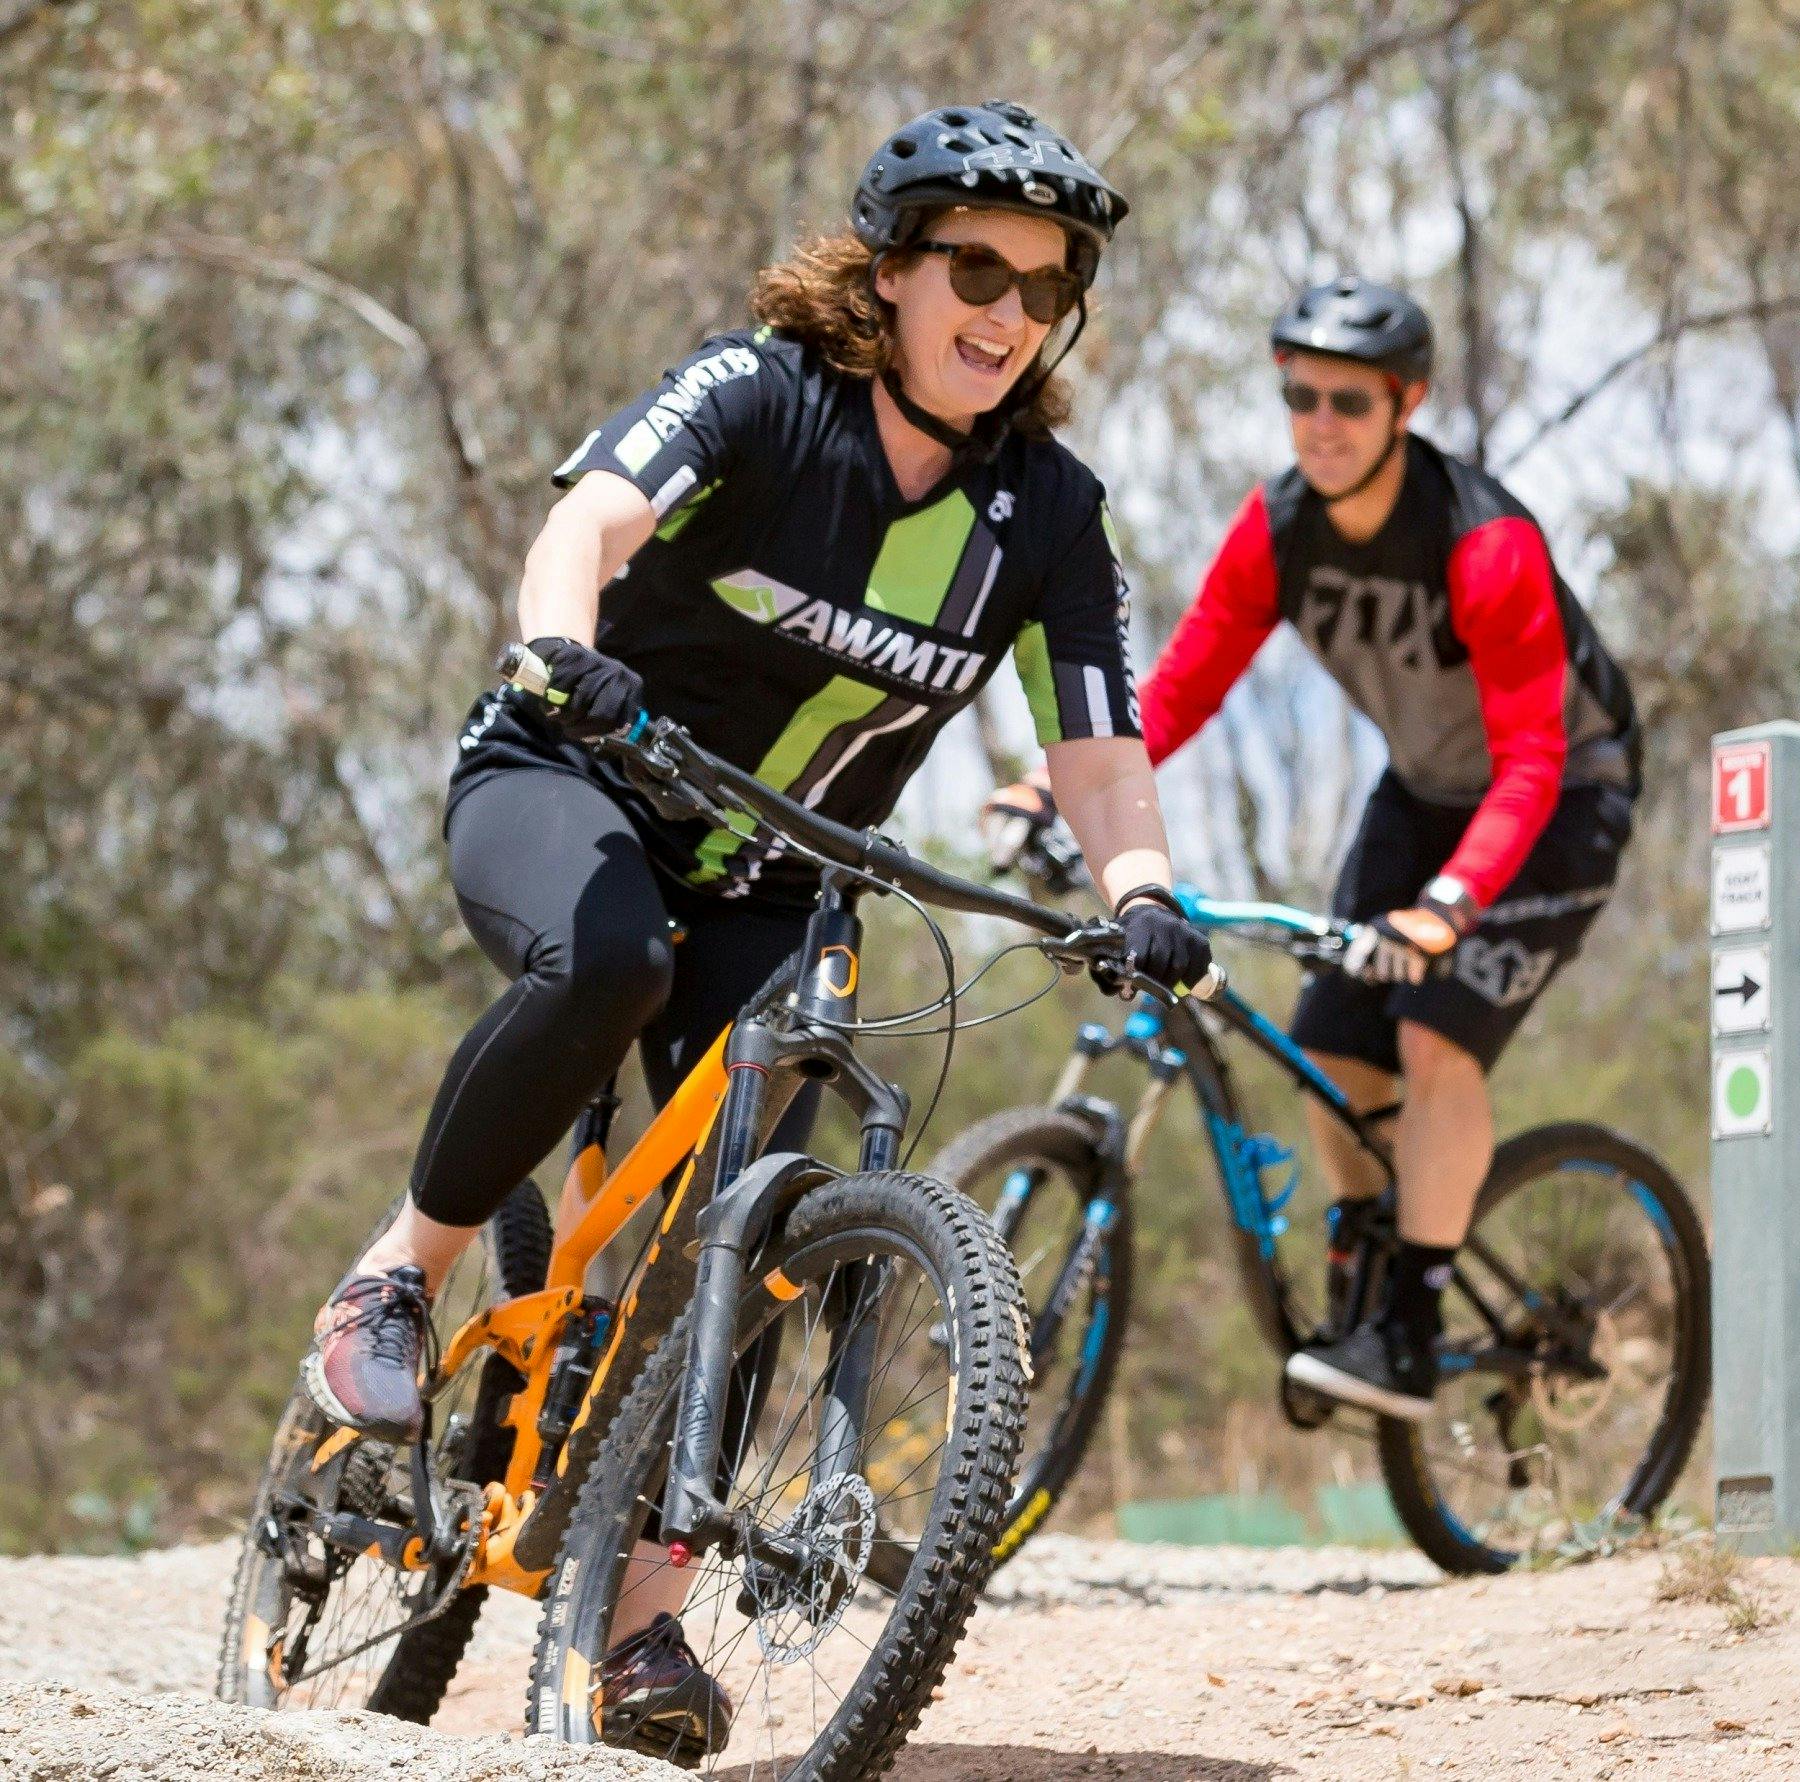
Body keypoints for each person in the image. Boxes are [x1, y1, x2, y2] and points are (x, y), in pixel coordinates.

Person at [300, 98, 1210, 1743]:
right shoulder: (760, 395)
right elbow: (589, 524)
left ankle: (642, 1626)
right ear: (891, 270)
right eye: (975, 268)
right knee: (612, 962)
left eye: (1045, 286)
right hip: (569, 777)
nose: (1007, 311)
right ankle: (396, 1277)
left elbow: (1098, 746)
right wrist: (565, 650)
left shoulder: (1048, 518)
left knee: (759, 1170)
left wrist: (1139, 891)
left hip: (777, 863)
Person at [989, 276, 1638, 1421]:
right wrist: (1052, 785)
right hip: (1426, 793)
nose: (1321, 422)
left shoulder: (1482, 543)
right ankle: (1364, 1261)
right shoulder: (1279, 526)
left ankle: (1415, 1318)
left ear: (1409, 404)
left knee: (1434, 1041)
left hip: (1561, 799)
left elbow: (1533, 758)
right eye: (1300, 395)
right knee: (1329, 1050)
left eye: (1349, 399)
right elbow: (1181, 690)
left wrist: (1443, 909)